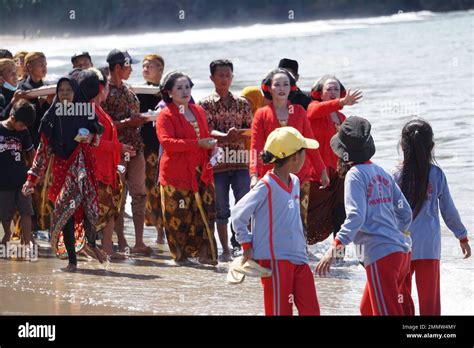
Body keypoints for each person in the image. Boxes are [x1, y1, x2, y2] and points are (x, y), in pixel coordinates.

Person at [316, 116, 414, 316]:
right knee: (367, 309)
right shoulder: (381, 171)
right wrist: (398, 234)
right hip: (402, 252)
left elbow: (356, 216)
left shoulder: (355, 175)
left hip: (382, 256)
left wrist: (334, 248)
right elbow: (405, 211)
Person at [232, 127, 321, 316]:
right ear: (294, 157)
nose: (305, 157)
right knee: (279, 312)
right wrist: (246, 244)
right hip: (275, 260)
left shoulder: (295, 182)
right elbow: (238, 214)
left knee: (312, 310)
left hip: (299, 257)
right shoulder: (265, 186)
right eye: (303, 152)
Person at [23, 74, 106, 272]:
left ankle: (91, 244)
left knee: (88, 211)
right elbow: (42, 151)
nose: (65, 94)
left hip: (84, 170)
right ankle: (72, 262)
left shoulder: (86, 112)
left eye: (69, 90)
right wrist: (31, 179)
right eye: (61, 91)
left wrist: (90, 137)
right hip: (62, 171)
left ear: (76, 92)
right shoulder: (50, 118)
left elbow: (97, 138)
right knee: (66, 213)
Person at [394, 119, 471, 315]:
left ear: (403, 146)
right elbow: (448, 210)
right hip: (429, 246)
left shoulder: (394, 175)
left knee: (401, 298)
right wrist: (461, 236)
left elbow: (386, 212)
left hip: (402, 246)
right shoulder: (436, 174)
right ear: (431, 146)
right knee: (430, 302)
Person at [250, 68, 328, 238]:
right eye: (277, 84)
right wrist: (254, 174)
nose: (281, 88)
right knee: (275, 215)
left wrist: (322, 170)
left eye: (285, 84)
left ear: (292, 88)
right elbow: (256, 147)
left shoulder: (299, 111)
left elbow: (309, 142)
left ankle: (300, 252)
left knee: (300, 217)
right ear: (269, 88)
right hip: (271, 174)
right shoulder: (261, 114)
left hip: (301, 174)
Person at [156, 71, 218, 266]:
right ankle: (181, 258)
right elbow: (168, 143)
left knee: (205, 215)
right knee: (179, 217)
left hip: (202, 171)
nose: (185, 91)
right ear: (169, 92)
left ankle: (206, 256)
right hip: (177, 174)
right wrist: (197, 143)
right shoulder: (166, 114)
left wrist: (213, 149)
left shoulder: (198, 110)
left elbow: (205, 136)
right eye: (179, 88)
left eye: (187, 87)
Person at [199, 59, 253, 261]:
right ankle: (225, 251)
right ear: (211, 78)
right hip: (217, 163)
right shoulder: (204, 103)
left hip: (240, 161)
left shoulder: (243, 103)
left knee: (244, 205)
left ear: (232, 77)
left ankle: (241, 247)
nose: (224, 79)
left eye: (227, 75)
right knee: (221, 209)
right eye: (220, 75)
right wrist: (225, 136)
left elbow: (251, 129)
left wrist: (237, 133)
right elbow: (206, 131)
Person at [101, 49, 151, 255]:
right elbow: (102, 124)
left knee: (139, 193)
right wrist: (128, 122)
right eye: (129, 66)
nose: (131, 70)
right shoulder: (104, 91)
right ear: (118, 67)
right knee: (118, 195)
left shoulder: (129, 90)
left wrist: (140, 119)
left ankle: (138, 242)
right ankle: (120, 240)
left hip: (135, 147)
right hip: (116, 151)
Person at [306, 75, 362, 250]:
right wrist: (341, 102)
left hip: (338, 174)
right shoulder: (313, 109)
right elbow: (314, 112)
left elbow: (346, 147)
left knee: (340, 213)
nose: (332, 92)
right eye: (328, 89)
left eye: (336, 89)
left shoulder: (342, 117)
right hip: (315, 174)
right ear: (320, 94)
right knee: (306, 215)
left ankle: (338, 256)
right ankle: (301, 251)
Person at [83, 68, 133, 260]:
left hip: (108, 167)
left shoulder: (97, 109)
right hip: (95, 168)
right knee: (97, 210)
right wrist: (119, 147)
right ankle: (89, 247)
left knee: (111, 208)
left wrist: (119, 149)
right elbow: (88, 140)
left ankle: (105, 248)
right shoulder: (88, 110)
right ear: (101, 88)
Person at [136, 54, 166, 246]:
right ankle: (158, 229)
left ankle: (164, 229)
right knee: (148, 189)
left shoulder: (168, 90)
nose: (146, 69)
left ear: (161, 69)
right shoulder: (137, 92)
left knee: (162, 188)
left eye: (151, 66)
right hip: (145, 146)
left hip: (163, 146)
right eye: (144, 66)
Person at [0, 100, 36, 259]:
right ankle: (6, 236)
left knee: (26, 211)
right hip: (3, 182)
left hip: (22, 179)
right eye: (21, 125)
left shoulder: (24, 132)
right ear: (12, 118)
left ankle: (27, 243)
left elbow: (32, 154)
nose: (23, 128)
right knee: (5, 213)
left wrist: (35, 174)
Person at [18, 51, 52, 148]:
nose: (44, 68)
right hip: (28, 138)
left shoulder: (48, 87)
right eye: (41, 65)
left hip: (45, 136)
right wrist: (42, 104)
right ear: (29, 67)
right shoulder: (22, 88)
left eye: (45, 65)